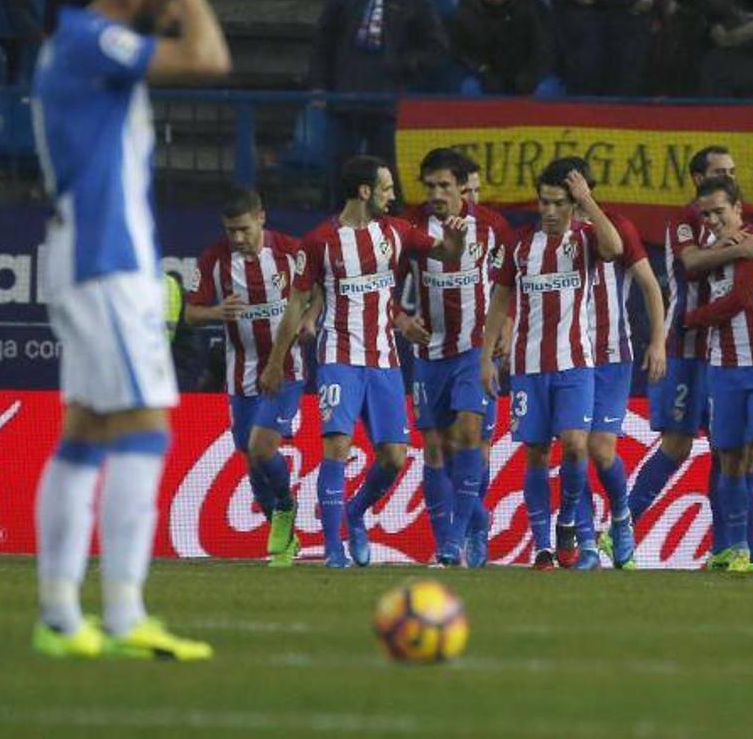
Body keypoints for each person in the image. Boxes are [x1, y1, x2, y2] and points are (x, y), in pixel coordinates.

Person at [30, 0, 231, 658]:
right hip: (105, 258)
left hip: (92, 253)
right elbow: (209, 57)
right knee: (145, 425)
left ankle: (59, 617)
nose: (177, 6)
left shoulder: (76, 46)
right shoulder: (90, 39)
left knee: (86, 431)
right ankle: (123, 613)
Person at [260, 156, 467, 568]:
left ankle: (355, 513)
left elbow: (447, 254)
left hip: (385, 359)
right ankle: (333, 548)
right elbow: (296, 305)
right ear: (364, 191)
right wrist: (276, 361)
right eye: (386, 188)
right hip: (338, 357)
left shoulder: (396, 232)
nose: (393, 196)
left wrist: (455, 238)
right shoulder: (319, 242)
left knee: (394, 456)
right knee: (337, 445)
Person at [629, 146, 753, 558]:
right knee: (685, 446)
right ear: (698, 182)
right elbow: (692, 262)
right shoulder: (686, 222)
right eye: (720, 172)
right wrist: (736, 250)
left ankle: (741, 547)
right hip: (689, 351)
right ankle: (623, 524)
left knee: (744, 452)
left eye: (732, 172)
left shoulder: (747, 224)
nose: (730, 177)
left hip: (734, 355)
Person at [480, 158, 623, 569]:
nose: (550, 211)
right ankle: (542, 545)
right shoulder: (520, 245)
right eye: (544, 202)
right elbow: (500, 300)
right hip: (528, 367)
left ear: (573, 204)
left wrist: (587, 201)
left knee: (576, 445)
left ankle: (568, 522)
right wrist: (486, 357)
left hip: (576, 363)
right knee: (537, 454)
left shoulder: (587, 239)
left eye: (559, 203)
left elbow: (615, 248)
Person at [185, 189, 315, 568]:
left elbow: (320, 290)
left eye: (244, 229)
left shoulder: (291, 251)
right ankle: (285, 539)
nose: (238, 238)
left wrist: (309, 319)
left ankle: (286, 506)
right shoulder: (213, 259)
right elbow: (191, 314)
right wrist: (216, 312)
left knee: (261, 448)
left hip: (286, 370)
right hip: (240, 374)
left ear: (261, 217)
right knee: (251, 456)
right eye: (231, 231)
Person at [396, 148, 510, 567]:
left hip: (474, 348)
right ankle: (469, 524)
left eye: (444, 186)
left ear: (463, 187)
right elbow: (381, 284)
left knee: (469, 433)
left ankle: (455, 540)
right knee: (435, 447)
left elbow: (510, 281)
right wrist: (401, 319)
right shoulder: (409, 226)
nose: (436, 194)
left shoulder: (493, 227)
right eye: (430, 186)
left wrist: (508, 324)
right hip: (429, 351)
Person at [567, 158, 667, 570]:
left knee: (600, 448)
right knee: (574, 448)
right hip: (567, 357)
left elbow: (650, 286)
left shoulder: (617, 227)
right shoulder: (551, 236)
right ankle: (587, 542)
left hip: (611, 355)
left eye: (577, 190)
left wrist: (658, 341)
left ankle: (622, 517)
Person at [683, 175, 753, 573]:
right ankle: (738, 548)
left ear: (738, 209)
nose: (712, 220)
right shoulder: (713, 249)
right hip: (723, 367)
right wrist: (723, 248)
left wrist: (692, 319)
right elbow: (690, 268)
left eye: (719, 212)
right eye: (706, 214)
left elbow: (740, 300)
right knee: (730, 458)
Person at [306, 0, 447, 170]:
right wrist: (318, 84)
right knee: (341, 168)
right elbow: (323, 40)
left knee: (384, 171)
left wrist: (405, 65)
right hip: (345, 93)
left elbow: (436, 46)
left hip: (387, 98)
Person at [449, 0, 559, 97]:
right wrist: (483, 71)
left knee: (545, 90)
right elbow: (460, 50)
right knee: (470, 88)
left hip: (529, 73)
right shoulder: (468, 9)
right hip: (488, 75)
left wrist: (531, 75)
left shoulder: (531, 7)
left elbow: (546, 49)